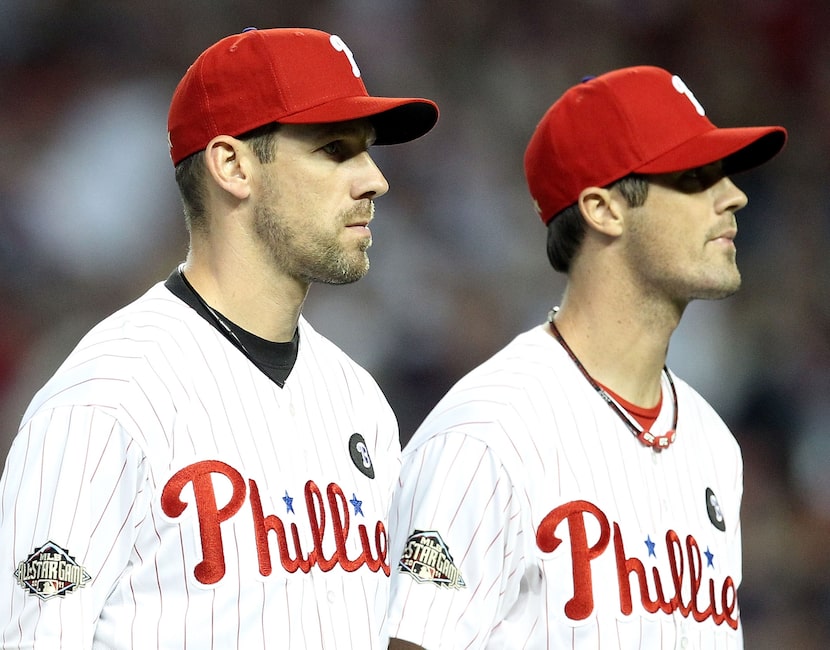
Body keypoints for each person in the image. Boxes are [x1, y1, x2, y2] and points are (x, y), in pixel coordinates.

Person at [0, 27, 437, 649]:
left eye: (367, 151)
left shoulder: (357, 398)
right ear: (233, 165)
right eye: (335, 149)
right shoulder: (106, 399)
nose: (373, 180)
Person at [386, 66, 786, 649]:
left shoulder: (713, 442)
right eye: (697, 176)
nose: (734, 195)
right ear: (603, 209)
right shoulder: (487, 434)